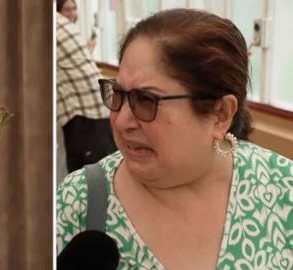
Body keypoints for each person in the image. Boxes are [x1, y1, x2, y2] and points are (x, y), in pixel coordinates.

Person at [57, 8, 293, 269]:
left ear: (220, 114)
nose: (121, 121)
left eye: (146, 100)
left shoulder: (283, 189)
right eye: (118, 94)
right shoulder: (78, 202)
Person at [56, 8, 116, 174]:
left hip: (87, 115)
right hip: (92, 113)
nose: (73, 13)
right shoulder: (60, 24)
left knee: (91, 186)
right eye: (68, 9)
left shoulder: (53, 25)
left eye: (74, 9)